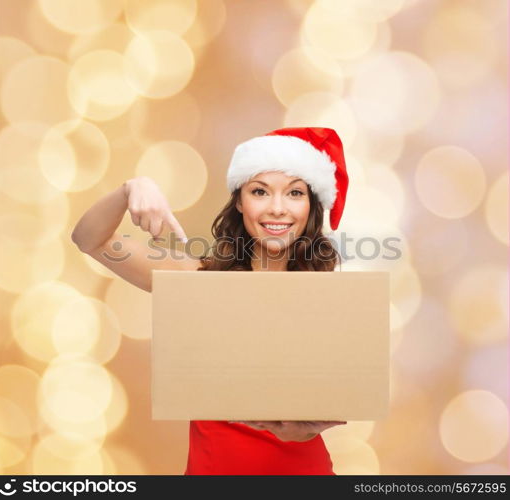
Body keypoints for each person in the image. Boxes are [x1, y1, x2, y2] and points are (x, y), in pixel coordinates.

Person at [71, 126, 350, 475]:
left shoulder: (326, 297)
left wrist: (306, 427)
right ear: (239, 200)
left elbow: (340, 400)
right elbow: (89, 239)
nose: (277, 209)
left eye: (294, 193)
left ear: (310, 207)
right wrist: (131, 189)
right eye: (260, 191)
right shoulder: (197, 278)